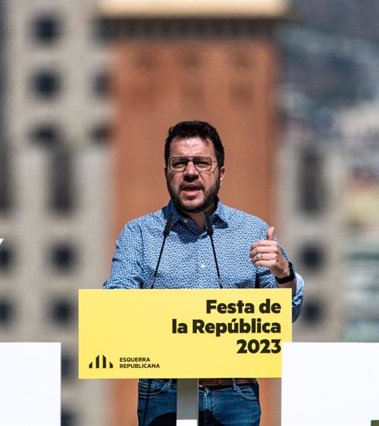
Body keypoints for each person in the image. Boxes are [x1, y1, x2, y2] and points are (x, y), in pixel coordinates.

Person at [104, 120, 305, 425]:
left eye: (201, 162)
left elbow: (286, 312)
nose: (190, 172)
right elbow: (116, 302)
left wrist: (283, 273)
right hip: (163, 392)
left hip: (235, 394)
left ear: (220, 173)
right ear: (166, 173)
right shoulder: (139, 234)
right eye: (178, 163)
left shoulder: (253, 230)